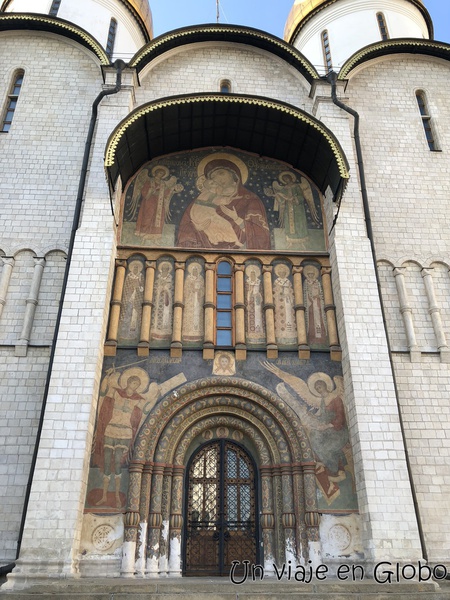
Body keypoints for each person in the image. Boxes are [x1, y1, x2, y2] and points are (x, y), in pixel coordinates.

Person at [177, 158, 270, 250]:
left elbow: (260, 233)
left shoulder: (250, 199)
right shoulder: (202, 199)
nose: (217, 178)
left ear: (235, 176)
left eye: (221, 173)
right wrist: (196, 227)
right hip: (202, 252)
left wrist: (236, 219)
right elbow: (186, 224)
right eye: (212, 177)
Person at [91, 373, 146, 508]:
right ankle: (104, 496)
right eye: (133, 383)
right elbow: (103, 394)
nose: (134, 387)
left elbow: (141, 414)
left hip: (125, 432)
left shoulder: (138, 399)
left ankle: (116, 496)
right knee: (107, 460)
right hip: (111, 428)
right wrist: (106, 377)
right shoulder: (116, 393)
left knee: (117, 462)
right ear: (127, 382)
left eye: (137, 385)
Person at [265, 171, 319, 249]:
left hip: (298, 209)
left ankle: (302, 243)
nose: (286, 180)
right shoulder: (284, 188)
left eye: (287, 178)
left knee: (300, 224)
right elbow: (281, 199)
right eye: (284, 179)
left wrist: (294, 198)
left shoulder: (297, 186)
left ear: (291, 178)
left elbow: (301, 196)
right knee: (289, 224)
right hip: (288, 209)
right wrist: (273, 195)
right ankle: (290, 242)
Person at [128, 165, 184, 241]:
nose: (160, 174)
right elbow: (144, 192)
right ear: (155, 173)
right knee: (148, 216)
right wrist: (150, 191)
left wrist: (173, 190)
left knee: (158, 218)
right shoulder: (149, 181)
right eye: (159, 172)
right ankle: (143, 234)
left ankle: (155, 236)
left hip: (159, 203)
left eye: (162, 173)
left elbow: (166, 193)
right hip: (149, 201)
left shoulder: (163, 184)